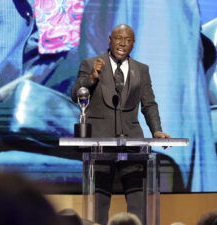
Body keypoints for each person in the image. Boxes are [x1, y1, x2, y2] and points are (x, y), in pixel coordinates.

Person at [71, 24, 170, 225]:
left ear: (133, 43)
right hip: (100, 144)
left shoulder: (141, 70)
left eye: (127, 40)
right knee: (99, 202)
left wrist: (157, 130)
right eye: (118, 38)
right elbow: (76, 94)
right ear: (110, 39)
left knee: (137, 200)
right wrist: (92, 78)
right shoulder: (91, 63)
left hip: (133, 142)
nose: (122, 43)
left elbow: (149, 103)